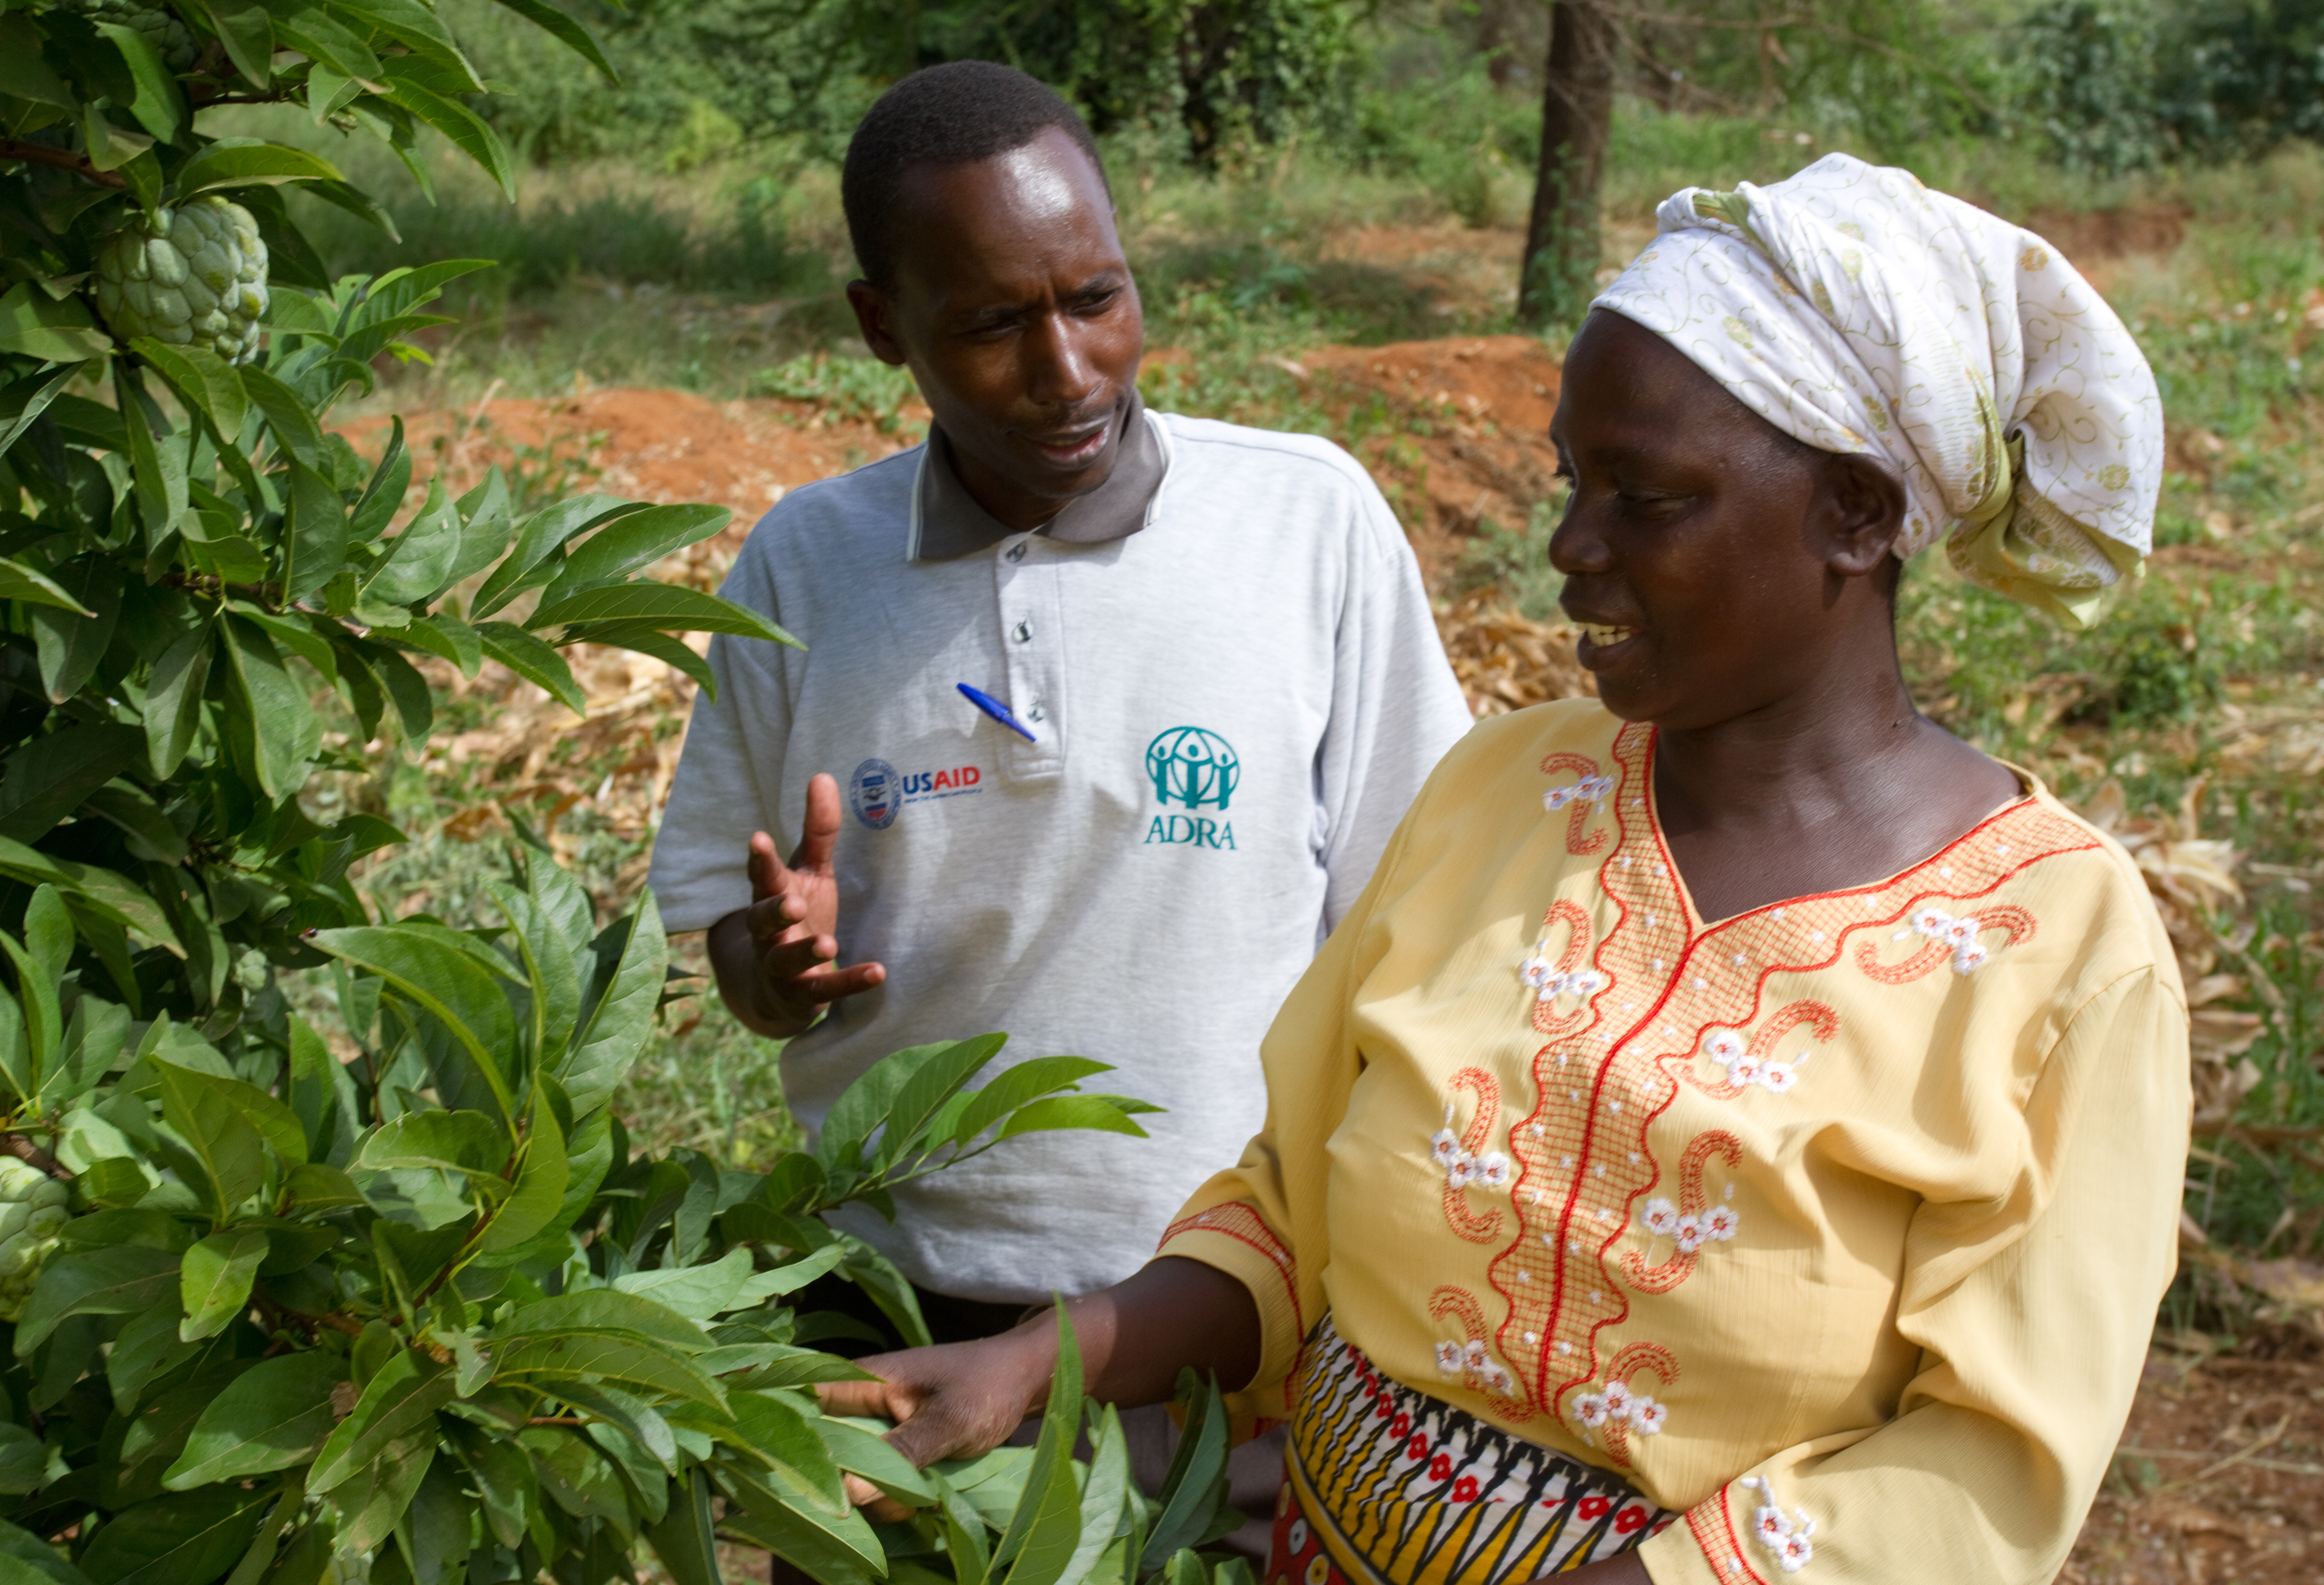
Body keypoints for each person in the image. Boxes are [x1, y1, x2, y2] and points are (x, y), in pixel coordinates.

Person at [818, 154, 2191, 1585]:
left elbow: (1985, 1468)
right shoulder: (1509, 787)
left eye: (1646, 499)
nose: (1569, 547)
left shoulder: (2057, 949)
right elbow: (1289, 1208)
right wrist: (1043, 1361)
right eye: (1571, 479)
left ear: (1853, 515)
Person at [646, 60, 1474, 1539]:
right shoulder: (804, 569)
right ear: (881, 327)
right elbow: (728, 916)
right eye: (992, 326)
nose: (1070, 369)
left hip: (1231, 1312)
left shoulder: (1306, 523)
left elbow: (1423, 916)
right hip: (895, 1302)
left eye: (1095, 298)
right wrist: (773, 972)